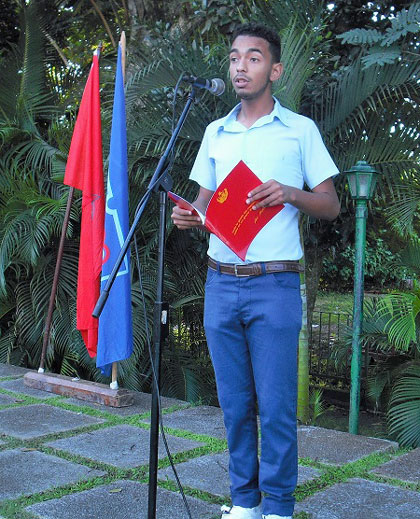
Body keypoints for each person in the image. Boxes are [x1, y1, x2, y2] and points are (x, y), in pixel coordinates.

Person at [171, 23, 340, 519]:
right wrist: (188, 217)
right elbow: (202, 205)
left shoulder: (299, 130)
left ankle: (280, 507)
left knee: (277, 408)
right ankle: (244, 503)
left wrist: (287, 192)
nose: (241, 67)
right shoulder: (214, 133)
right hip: (221, 282)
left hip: (275, 283)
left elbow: (330, 205)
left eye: (253, 58)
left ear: (275, 69)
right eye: (234, 58)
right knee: (235, 407)